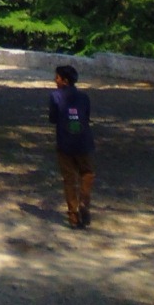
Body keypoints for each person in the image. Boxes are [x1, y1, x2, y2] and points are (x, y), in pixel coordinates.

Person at [49, 63, 96, 229]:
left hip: (65, 142)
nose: (55, 81)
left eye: (57, 78)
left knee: (69, 179)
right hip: (84, 141)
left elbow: (53, 118)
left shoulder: (55, 96)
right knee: (87, 173)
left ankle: (73, 216)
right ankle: (84, 202)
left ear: (65, 81)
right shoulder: (84, 97)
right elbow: (86, 116)